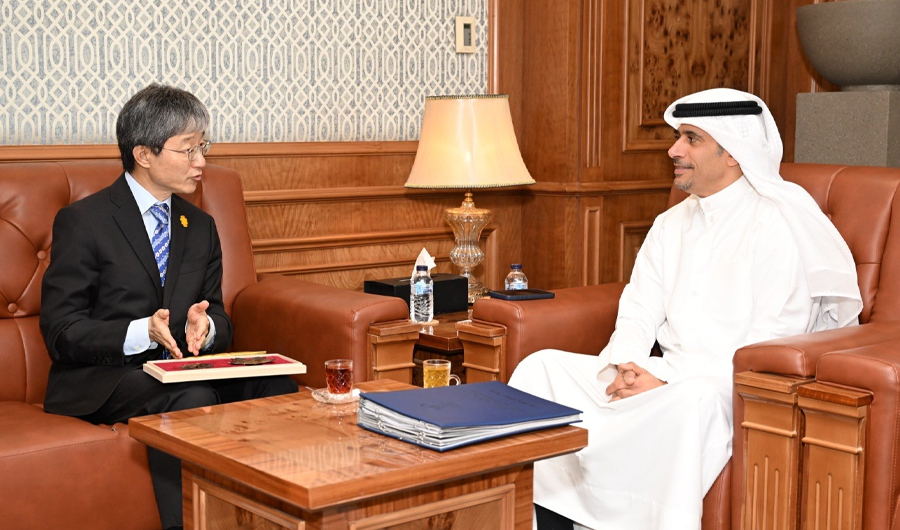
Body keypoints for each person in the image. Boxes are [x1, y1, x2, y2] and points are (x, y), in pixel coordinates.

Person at [511, 88, 863, 530]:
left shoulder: (777, 226)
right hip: (662, 375)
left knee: (686, 403)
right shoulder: (670, 224)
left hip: (723, 389)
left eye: (691, 139)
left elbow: (768, 345)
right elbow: (638, 309)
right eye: (678, 137)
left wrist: (664, 382)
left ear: (732, 152)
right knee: (541, 369)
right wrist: (628, 366)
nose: (673, 150)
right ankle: (546, 520)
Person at [40, 84, 298, 530]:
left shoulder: (199, 226)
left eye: (203, 147)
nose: (201, 162)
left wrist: (207, 328)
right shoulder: (84, 222)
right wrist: (142, 331)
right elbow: (62, 331)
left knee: (275, 384)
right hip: (105, 377)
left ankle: (275, 517)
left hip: (180, 370)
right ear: (144, 154)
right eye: (188, 149)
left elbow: (220, 316)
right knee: (191, 399)